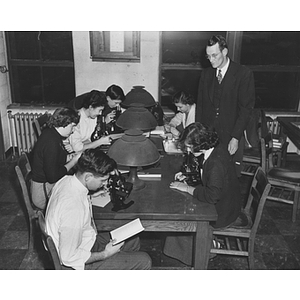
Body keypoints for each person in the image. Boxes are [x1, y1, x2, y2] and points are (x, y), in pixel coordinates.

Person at [45, 148, 152, 270]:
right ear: (88, 177)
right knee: (144, 261)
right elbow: (68, 258)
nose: (105, 184)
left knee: (133, 239)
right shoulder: (73, 208)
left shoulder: (66, 181)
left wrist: (90, 195)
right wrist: (105, 254)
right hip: (73, 265)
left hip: (84, 242)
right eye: (102, 180)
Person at [163, 122, 247, 266]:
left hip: (222, 212)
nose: (188, 150)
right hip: (228, 203)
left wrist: (187, 188)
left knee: (182, 223)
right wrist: (187, 176)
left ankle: (208, 248)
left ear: (201, 144)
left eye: (190, 146)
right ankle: (206, 244)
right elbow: (209, 178)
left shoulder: (215, 163)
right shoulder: (215, 150)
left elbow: (212, 195)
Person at [195, 35, 255, 176]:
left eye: (214, 55)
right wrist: (199, 135)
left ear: (225, 52)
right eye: (208, 56)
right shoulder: (206, 75)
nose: (211, 60)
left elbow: (246, 110)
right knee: (209, 174)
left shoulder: (243, 74)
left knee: (229, 176)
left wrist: (235, 137)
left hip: (231, 134)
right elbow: (201, 107)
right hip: (209, 135)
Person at [31, 107, 81, 210]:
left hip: (45, 186)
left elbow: (53, 159)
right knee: (76, 201)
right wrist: (73, 162)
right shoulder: (52, 142)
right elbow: (52, 177)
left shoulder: (51, 132)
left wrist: (67, 157)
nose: (74, 130)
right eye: (73, 126)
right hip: (43, 194)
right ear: (65, 123)